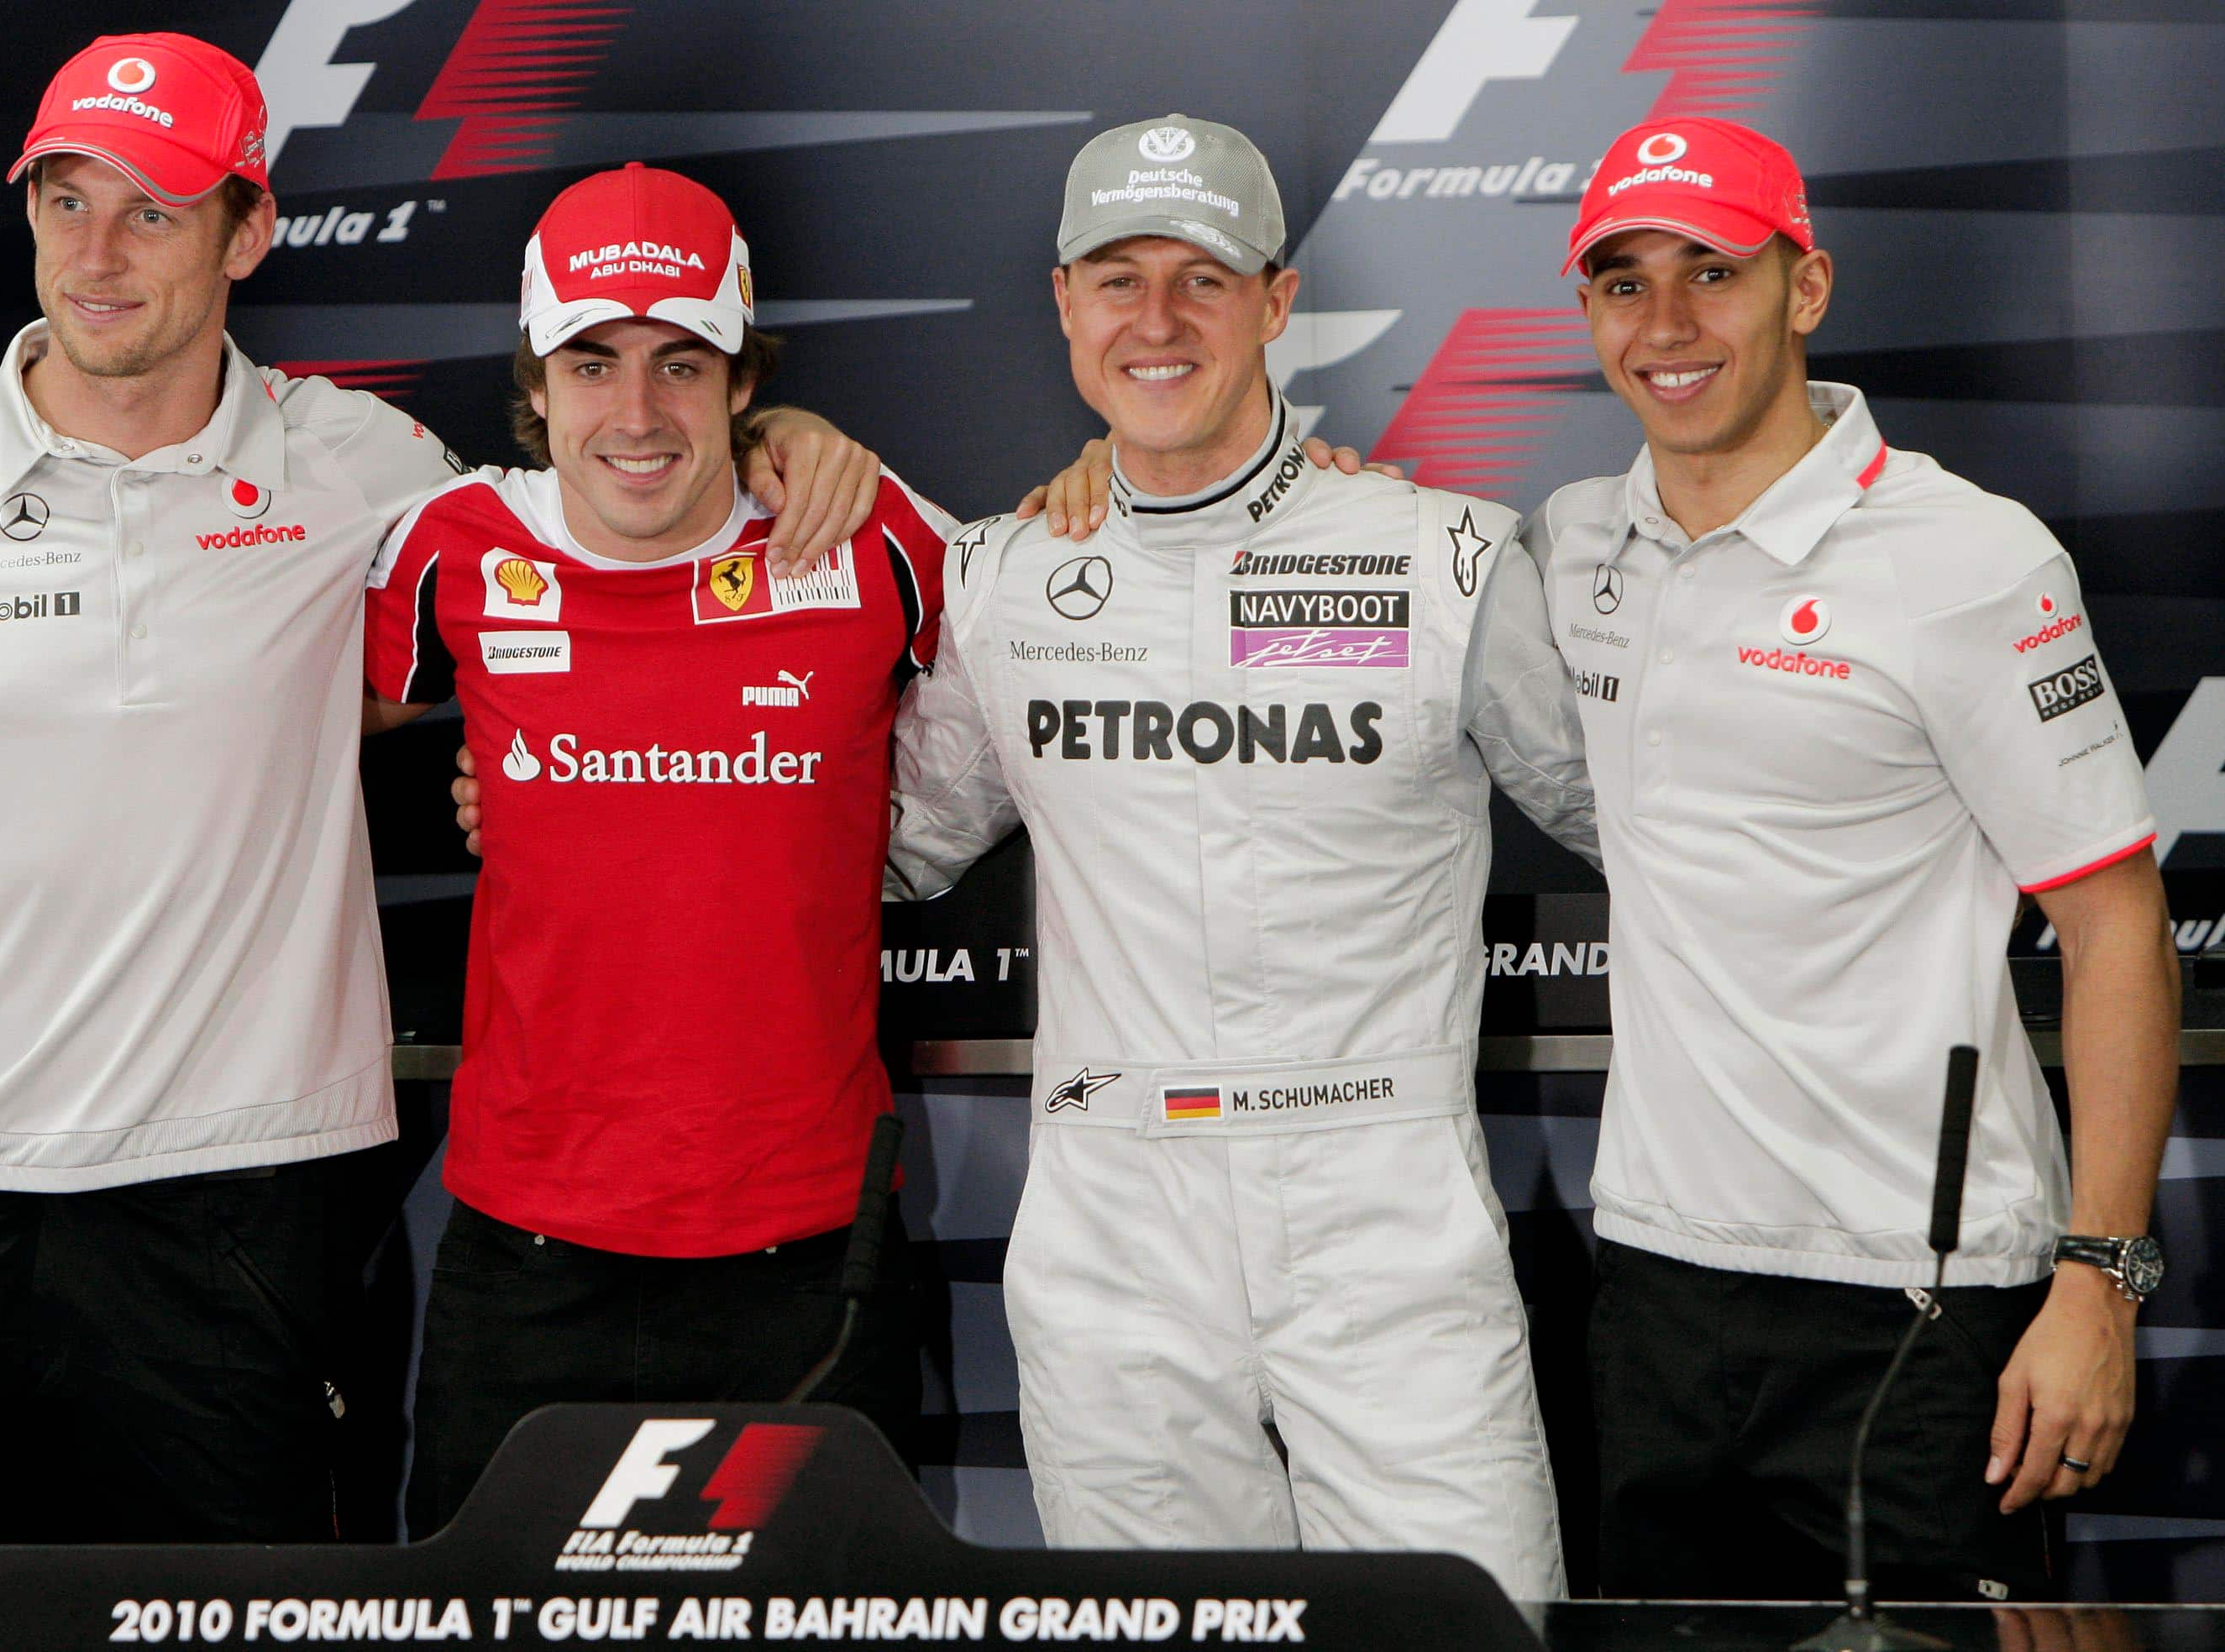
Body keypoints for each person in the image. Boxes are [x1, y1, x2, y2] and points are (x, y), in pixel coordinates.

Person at [0, 34, 873, 1586]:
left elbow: (610, 529)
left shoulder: (369, 474)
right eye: (67, 200)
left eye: (153, 211)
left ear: (250, 230)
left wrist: (771, 448)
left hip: (248, 1204)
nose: (98, 253)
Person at [884, 115, 1593, 1595]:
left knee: (1471, 1633)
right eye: (1118, 278)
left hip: (1380, 1193)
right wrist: (554, 787)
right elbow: (885, 848)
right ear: (1064, 303)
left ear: (1276, 300)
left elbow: (1644, 819)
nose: (1157, 320)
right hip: (1114, 1211)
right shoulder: (1005, 578)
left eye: (1202, 279)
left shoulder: (1443, 556)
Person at [1524, 118, 2177, 1600]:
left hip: (1921, 1301)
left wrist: (2103, 1282)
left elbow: (2115, 928)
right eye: (1623, 283)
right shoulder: (1573, 543)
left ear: (1807, 287)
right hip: (1655, 1285)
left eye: (1713, 271)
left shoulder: (1972, 559)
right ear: (1586, 313)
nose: (1668, 324)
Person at [359, 163, 957, 1537]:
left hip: (810, 1262)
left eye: (681, 362)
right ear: (537, 378)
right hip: (524, 1261)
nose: (636, 414)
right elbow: (245, 724)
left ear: (745, 380)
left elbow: (1087, 621)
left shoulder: (869, 537)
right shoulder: (449, 551)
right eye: (593, 362)